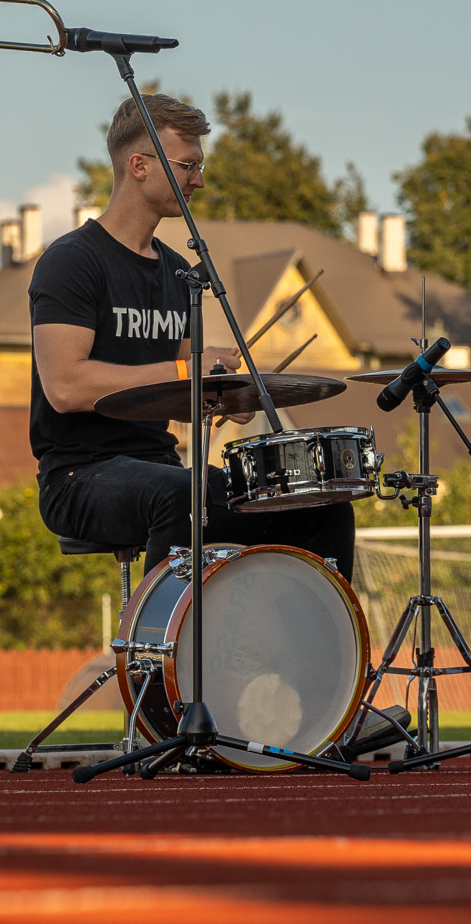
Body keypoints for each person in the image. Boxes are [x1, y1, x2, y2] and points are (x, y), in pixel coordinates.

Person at [31, 93, 355, 580]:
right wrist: (188, 371)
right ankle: (161, 652)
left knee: (318, 506)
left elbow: (171, 388)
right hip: (79, 475)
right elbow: (66, 387)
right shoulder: (73, 260)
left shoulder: (178, 270)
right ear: (139, 165)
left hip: (161, 465)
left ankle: (305, 649)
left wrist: (223, 393)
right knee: (189, 494)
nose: (198, 181)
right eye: (188, 166)